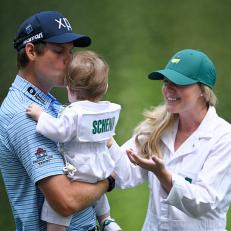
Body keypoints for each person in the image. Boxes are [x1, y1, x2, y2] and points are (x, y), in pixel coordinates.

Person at [0, 11, 116, 231]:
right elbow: (65, 202)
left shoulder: (46, 102)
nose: (69, 60)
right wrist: (108, 180)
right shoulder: (22, 114)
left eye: (71, 52)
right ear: (32, 51)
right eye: (59, 51)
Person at [110, 49, 231, 230]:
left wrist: (163, 175)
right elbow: (123, 174)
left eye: (179, 83)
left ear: (203, 91)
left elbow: (203, 203)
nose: (169, 89)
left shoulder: (223, 137)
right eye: (167, 82)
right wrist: (105, 140)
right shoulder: (156, 127)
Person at [26, 50, 122, 231]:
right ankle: (107, 220)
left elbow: (59, 131)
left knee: (55, 208)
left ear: (70, 89)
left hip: (79, 170)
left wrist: (40, 116)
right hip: (101, 167)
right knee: (98, 194)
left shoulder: (74, 112)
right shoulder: (107, 111)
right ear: (105, 87)